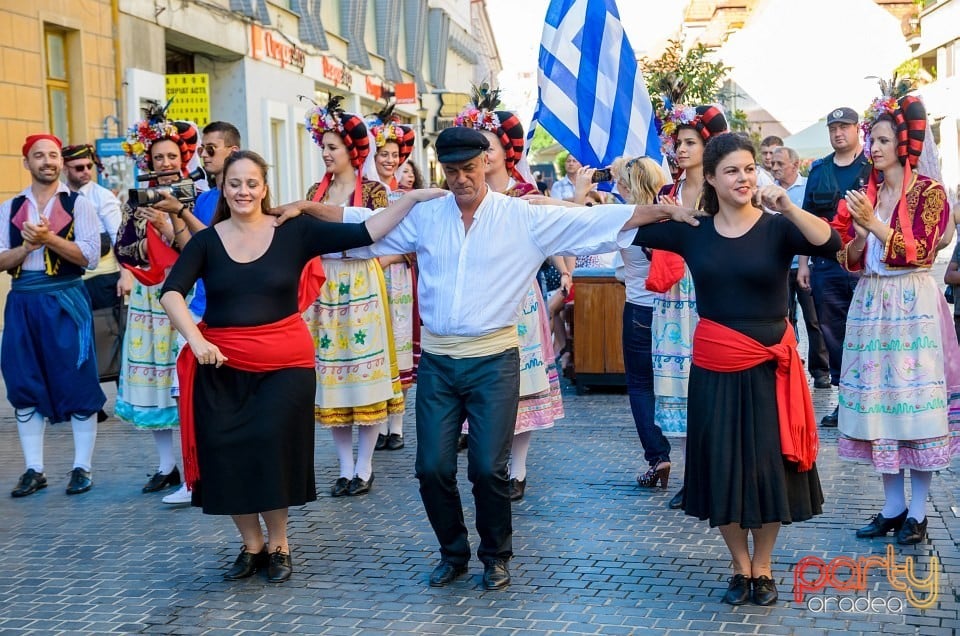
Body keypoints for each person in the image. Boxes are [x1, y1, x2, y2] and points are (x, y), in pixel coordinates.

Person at [274, 126, 667, 591]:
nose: (461, 179)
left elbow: (599, 223)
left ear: (487, 162)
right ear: (443, 169)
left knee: (486, 467)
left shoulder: (521, 216)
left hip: (494, 359)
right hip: (440, 362)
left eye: (469, 168)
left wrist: (665, 210)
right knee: (432, 467)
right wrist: (302, 208)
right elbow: (357, 220)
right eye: (452, 171)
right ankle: (453, 553)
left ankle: (496, 556)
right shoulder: (426, 216)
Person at [159, 150, 441, 583]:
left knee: (271, 450)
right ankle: (251, 545)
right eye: (235, 183)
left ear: (264, 187)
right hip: (222, 365)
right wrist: (195, 340)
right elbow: (171, 292)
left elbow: (368, 229)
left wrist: (413, 198)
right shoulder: (207, 241)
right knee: (228, 455)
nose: (243, 191)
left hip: (286, 365)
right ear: (224, 188)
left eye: (252, 183)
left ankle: (279, 544)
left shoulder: (294, 231)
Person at [633, 132, 839, 606]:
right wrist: (666, 208)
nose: (744, 178)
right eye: (732, 170)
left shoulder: (777, 226)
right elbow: (620, 228)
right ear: (709, 177)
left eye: (749, 168)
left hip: (773, 368)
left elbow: (830, 242)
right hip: (716, 364)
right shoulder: (693, 229)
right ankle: (738, 565)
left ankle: (763, 568)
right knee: (722, 465)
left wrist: (787, 205)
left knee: (770, 468)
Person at [834, 92, 958, 546]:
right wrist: (859, 232)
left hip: (912, 306)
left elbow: (921, 252)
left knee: (915, 406)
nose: (875, 148)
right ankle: (892, 506)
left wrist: (876, 224)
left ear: (903, 145)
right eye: (874, 140)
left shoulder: (929, 193)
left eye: (884, 140)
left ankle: (919, 514)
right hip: (871, 303)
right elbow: (848, 256)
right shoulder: (867, 193)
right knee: (881, 407)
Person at [451, 86, 565, 500]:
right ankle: (493, 463)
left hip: (519, 299)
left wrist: (566, 274)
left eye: (490, 147)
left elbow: (551, 242)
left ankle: (516, 469)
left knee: (523, 383)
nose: (484, 155)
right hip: (477, 297)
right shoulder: (459, 195)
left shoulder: (524, 196)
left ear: (504, 152)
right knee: (481, 386)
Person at [303, 96, 400, 497]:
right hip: (326, 284)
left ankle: (365, 465)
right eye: (323, 146)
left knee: (366, 372)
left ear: (351, 151)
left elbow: (385, 237)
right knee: (332, 374)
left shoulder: (375, 192)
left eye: (332, 147)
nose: (325, 153)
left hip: (362, 281)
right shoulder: (315, 191)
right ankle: (344, 466)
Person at [1, 134, 105, 497]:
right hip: (23, 301)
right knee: (23, 381)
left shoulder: (79, 204)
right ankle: (34, 468)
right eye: (38, 155)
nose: (47, 161)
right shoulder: (10, 206)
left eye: (53, 155)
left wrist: (49, 240)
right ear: (26, 161)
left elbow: (89, 257)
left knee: (76, 379)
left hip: (65, 298)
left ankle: (82, 466)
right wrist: (27, 247)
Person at [115, 103, 200, 495]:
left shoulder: (193, 194)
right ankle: (167, 465)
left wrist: (168, 230)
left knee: (181, 380)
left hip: (185, 293)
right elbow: (123, 246)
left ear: (182, 157)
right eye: (158, 156)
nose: (165, 162)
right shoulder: (135, 197)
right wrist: (140, 249)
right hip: (150, 296)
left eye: (171, 155)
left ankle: (191, 463)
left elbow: (201, 246)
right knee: (154, 382)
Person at [158, 120, 243, 506]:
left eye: (210, 149)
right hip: (198, 305)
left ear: (231, 150)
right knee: (187, 396)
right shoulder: (205, 196)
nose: (202, 155)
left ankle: (219, 472)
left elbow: (219, 244)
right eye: (202, 149)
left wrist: (182, 211)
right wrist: (172, 217)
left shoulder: (236, 196)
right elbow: (190, 247)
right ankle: (195, 474)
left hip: (227, 310)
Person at [652, 101, 728, 509]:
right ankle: (690, 477)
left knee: (710, 386)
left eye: (689, 142)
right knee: (677, 388)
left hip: (708, 294)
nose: (680, 149)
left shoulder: (720, 192)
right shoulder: (668, 192)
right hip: (671, 300)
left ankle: (714, 476)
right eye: (677, 142)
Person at [799, 106, 872, 427]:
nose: (838, 133)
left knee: (868, 330)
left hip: (865, 264)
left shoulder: (873, 167)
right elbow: (804, 219)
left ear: (858, 129)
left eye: (844, 127)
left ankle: (872, 398)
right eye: (833, 128)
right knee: (833, 334)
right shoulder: (819, 170)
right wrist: (803, 264)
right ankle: (847, 400)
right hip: (827, 264)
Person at [611, 156, 672, 489]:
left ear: (627, 185)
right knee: (679, 383)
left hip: (638, 309)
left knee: (640, 385)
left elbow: (620, 271)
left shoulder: (624, 222)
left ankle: (657, 457)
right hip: (674, 312)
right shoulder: (670, 216)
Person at [366, 105, 419, 450]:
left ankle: (396, 424)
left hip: (397, 276)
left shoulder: (405, 193)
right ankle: (379, 419)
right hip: (370, 276)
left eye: (395, 154)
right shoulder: (364, 191)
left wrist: (392, 258)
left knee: (398, 342)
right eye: (383, 154)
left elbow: (415, 240)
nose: (389, 160)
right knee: (376, 344)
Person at [770, 147, 831, 388]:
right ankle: (788, 367)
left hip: (805, 265)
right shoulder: (767, 190)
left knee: (814, 320)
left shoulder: (807, 187)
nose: (774, 168)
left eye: (780, 164)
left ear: (795, 166)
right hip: (778, 265)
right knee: (782, 319)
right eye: (772, 164)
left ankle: (821, 371)